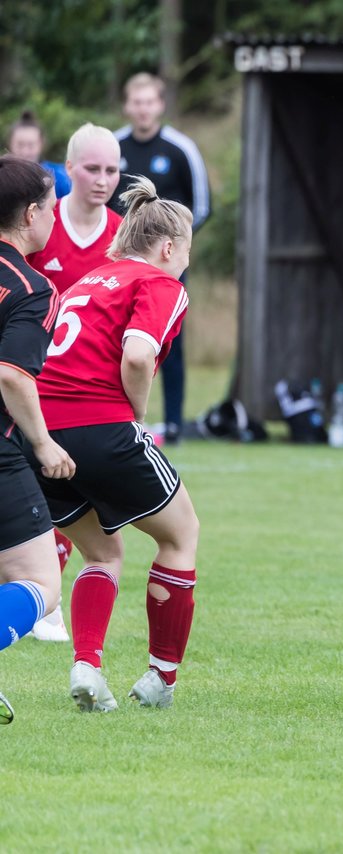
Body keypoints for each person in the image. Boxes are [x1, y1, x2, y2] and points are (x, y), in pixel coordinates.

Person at [28, 176, 199, 712]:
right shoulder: (161, 284)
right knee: (180, 535)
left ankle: (87, 667)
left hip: (43, 434)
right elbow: (137, 354)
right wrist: (138, 417)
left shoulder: (90, 279)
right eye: (187, 252)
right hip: (102, 426)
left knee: (101, 551)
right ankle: (160, 679)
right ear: (168, 248)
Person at [23, 123, 123, 642]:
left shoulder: (124, 235)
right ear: (68, 169)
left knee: (74, 485)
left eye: (111, 169)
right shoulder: (40, 226)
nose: (102, 180)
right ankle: (40, 590)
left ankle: (47, 595)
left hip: (93, 393)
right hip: (31, 382)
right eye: (91, 168)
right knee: (40, 483)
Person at [0, 155, 77, 724]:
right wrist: (44, 443)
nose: (54, 218)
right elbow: (11, 374)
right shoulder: (32, 286)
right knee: (38, 582)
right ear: (30, 215)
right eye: (51, 208)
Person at [108, 73, 210, 446]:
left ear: (160, 105)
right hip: (120, 267)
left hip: (167, 266)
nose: (143, 109)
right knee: (120, 340)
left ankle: (174, 424)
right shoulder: (114, 147)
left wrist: (170, 247)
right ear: (127, 106)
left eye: (149, 101)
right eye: (136, 102)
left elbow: (201, 205)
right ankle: (120, 420)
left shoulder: (180, 148)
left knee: (170, 342)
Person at [6, 111, 71, 198]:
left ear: (41, 144)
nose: (25, 152)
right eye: (20, 145)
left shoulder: (59, 176)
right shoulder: (3, 177)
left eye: (31, 145)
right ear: (10, 143)